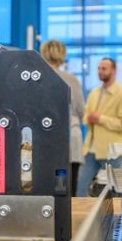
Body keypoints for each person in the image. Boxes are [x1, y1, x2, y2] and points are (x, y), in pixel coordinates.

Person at [78, 57, 122, 197]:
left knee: (114, 193)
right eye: (99, 68)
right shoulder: (94, 93)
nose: (100, 71)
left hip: (112, 151)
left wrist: (100, 118)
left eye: (104, 68)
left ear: (113, 70)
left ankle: (115, 219)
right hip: (90, 149)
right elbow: (85, 116)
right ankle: (81, 219)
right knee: (81, 188)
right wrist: (88, 118)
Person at [40, 40, 85, 195]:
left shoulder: (39, 78)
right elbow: (81, 110)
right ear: (62, 55)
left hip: (45, 137)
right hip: (70, 135)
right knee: (69, 187)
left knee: (47, 184)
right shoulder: (71, 80)